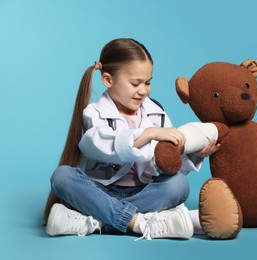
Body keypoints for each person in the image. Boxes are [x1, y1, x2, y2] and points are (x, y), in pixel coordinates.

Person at [44, 38, 219, 240]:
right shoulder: (94, 113)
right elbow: (102, 146)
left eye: (148, 82)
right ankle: (141, 223)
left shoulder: (157, 113)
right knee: (62, 177)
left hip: (144, 193)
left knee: (178, 184)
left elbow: (164, 163)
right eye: (135, 83)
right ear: (108, 80)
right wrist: (149, 134)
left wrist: (192, 155)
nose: (143, 90)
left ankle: (95, 222)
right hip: (101, 192)